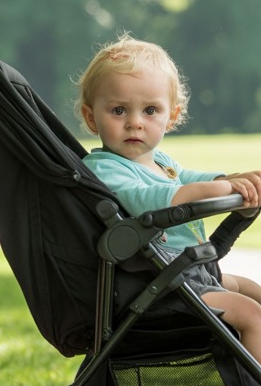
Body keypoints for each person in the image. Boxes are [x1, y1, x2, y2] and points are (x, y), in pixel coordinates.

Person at [76, 34, 261, 359]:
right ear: (92, 118)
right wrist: (223, 190)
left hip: (186, 274)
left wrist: (230, 180)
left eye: (150, 110)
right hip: (157, 288)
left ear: (171, 117)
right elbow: (154, 199)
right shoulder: (103, 168)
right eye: (119, 110)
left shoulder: (160, 161)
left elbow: (188, 177)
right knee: (251, 314)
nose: (135, 122)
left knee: (253, 292)